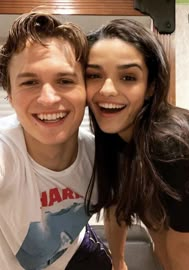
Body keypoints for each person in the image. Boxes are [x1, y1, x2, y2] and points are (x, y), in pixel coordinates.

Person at [85, 18, 189, 270]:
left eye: (128, 77)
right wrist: (118, 260)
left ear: (150, 87)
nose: (107, 89)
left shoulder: (168, 141)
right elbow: (116, 204)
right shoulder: (113, 134)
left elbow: (182, 238)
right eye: (94, 75)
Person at [0, 11, 112, 270]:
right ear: (11, 96)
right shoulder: (5, 153)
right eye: (30, 82)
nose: (48, 99)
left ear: (86, 91)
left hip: (80, 251)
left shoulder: (103, 158)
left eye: (64, 80)